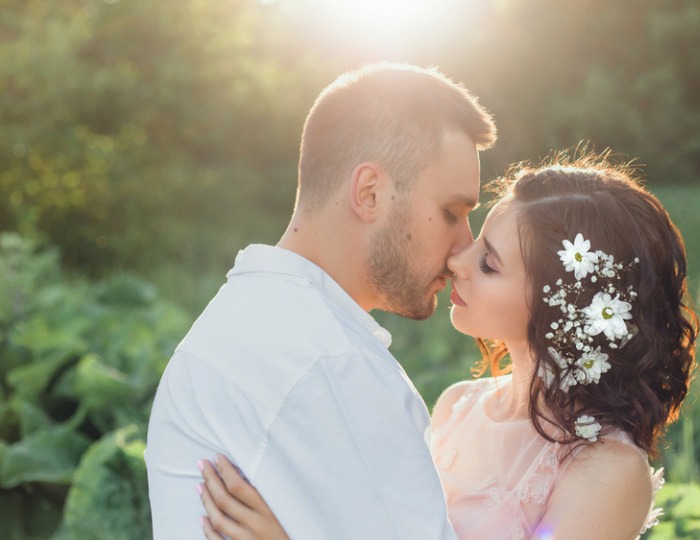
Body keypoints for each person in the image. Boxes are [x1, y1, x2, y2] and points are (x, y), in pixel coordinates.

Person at [196, 153, 700, 539]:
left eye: (490, 263)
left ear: (559, 306)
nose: (459, 258)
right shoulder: (458, 406)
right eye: (478, 240)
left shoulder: (607, 468)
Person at [144, 62, 497, 539]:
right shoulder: (333, 364)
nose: (463, 247)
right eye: (452, 212)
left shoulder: (233, 321)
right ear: (370, 193)